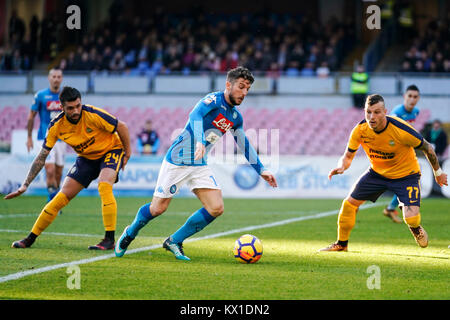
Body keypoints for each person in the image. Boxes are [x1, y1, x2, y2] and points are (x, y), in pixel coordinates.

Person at [114, 66, 278, 260]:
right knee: (158, 208)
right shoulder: (212, 100)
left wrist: (262, 170)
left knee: (216, 207)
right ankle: (130, 233)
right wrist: (200, 140)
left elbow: (244, 144)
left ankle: (174, 241)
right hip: (178, 159)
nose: (244, 93)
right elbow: (195, 116)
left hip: (199, 163)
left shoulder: (235, 117)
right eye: (241, 87)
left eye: (247, 89)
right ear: (228, 84)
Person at [5, 86, 132, 250]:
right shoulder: (56, 126)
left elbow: (122, 126)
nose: (76, 111)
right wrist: (25, 184)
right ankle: (30, 238)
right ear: (62, 107)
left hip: (111, 150)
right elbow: (42, 157)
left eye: (78, 106)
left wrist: (127, 153)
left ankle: (109, 239)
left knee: (104, 186)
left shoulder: (93, 114)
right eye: (71, 108)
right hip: (86, 158)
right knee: (60, 197)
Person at [319, 94, 447, 252]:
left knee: (411, 218)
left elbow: (427, 147)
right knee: (348, 204)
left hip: (406, 175)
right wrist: (342, 166)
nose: (371, 117)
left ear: (385, 112)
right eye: (368, 112)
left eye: (377, 112)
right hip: (376, 174)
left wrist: (438, 172)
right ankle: (341, 244)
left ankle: (415, 228)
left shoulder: (400, 129)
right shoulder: (360, 130)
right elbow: (347, 156)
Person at [27, 68, 65, 208]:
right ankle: (53, 205)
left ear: (61, 79)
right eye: (54, 76)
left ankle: (53, 200)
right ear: (49, 78)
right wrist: (29, 137)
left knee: (58, 173)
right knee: (49, 170)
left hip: (61, 140)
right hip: (44, 138)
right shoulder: (41, 95)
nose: (56, 79)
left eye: (58, 76)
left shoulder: (65, 96)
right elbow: (31, 116)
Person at [383, 84, 421, 223]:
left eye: (415, 97)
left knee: (408, 180)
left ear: (418, 98)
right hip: (392, 151)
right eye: (409, 96)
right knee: (406, 181)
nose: (412, 99)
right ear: (404, 97)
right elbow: (389, 131)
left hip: (404, 151)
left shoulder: (416, 111)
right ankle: (355, 202)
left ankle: (390, 208)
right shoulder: (397, 112)